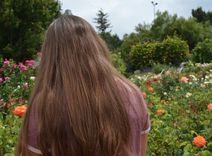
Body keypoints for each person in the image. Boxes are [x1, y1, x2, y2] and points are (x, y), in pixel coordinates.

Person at [16, 15, 150, 156]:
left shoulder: (44, 106)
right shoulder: (132, 93)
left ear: (50, 54)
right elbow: (140, 150)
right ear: (95, 46)